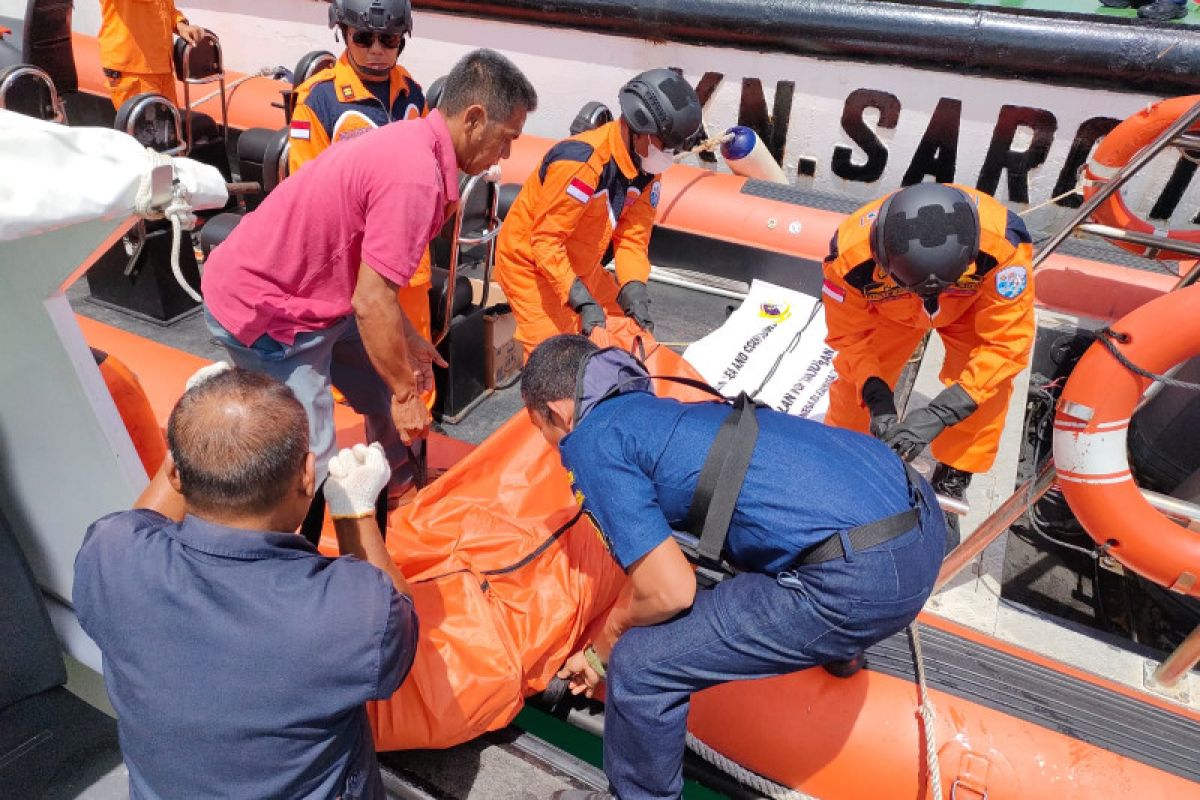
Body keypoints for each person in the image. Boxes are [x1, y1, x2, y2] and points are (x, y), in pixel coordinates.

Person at [522, 335, 946, 800]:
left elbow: (672, 591)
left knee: (641, 665)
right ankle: (840, 650)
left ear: (558, 413)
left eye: (540, 429)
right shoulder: (657, 407)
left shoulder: (589, 440)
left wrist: (601, 649)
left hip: (866, 582)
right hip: (915, 509)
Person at [201, 49, 536, 524]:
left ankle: (396, 482)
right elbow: (371, 298)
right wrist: (405, 395)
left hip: (324, 297)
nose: (504, 156)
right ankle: (297, 549)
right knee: (307, 453)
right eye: (506, 140)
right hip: (270, 310)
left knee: (384, 381)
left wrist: (407, 344)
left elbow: (369, 276)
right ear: (475, 119)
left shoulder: (412, 142)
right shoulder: (415, 177)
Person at [74, 364, 417, 799]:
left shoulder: (111, 555)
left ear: (175, 472)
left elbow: (145, 515)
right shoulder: (350, 611)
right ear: (308, 476)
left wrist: (201, 431)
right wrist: (355, 513)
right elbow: (399, 621)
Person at [820, 182, 1034, 541]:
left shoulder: (1002, 248)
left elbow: (1005, 343)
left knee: (988, 389)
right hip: (890, 313)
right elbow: (851, 338)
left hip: (969, 307)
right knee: (851, 387)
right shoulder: (848, 260)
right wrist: (877, 397)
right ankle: (845, 460)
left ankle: (952, 478)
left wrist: (941, 413)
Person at [493, 69, 703, 357]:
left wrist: (634, 288)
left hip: (581, 264)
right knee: (555, 361)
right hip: (530, 264)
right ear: (639, 130)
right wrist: (580, 299)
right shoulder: (582, 162)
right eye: (666, 146)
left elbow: (632, 239)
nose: (669, 154)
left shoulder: (647, 169)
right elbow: (545, 242)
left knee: (631, 330)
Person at [288, 0, 434, 340]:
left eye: (389, 40)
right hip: (353, 267)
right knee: (353, 374)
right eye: (364, 38)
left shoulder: (412, 93)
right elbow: (307, 192)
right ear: (343, 34)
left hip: (410, 263)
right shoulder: (318, 101)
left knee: (415, 366)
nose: (377, 50)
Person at [98, 0, 205, 109]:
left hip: (163, 69)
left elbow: (166, 8)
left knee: (170, 123)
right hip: (133, 70)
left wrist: (180, 25)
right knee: (144, 125)